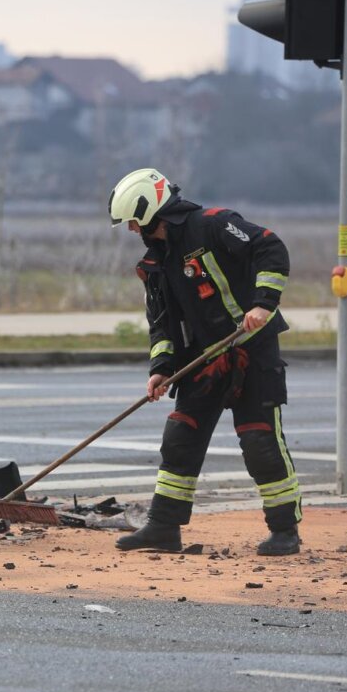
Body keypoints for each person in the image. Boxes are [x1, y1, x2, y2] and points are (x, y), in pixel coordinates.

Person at [108, 168, 300, 556]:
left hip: (251, 351)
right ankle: (163, 527)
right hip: (204, 360)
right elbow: (161, 324)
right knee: (180, 438)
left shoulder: (214, 225)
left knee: (259, 439)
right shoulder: (154, 264)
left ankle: (284, 531)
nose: (130, 229)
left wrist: (263, 304)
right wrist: (161, 369)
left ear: (150, 212)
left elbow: (270, 248)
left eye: (132, 220)